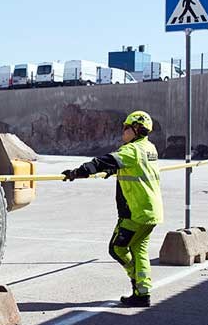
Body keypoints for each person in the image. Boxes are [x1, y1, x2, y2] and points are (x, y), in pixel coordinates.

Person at [61, 111, 163, 307]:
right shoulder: (149, 148)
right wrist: (113, 170)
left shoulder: (132, 150)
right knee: (139, 249)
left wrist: (77, 172)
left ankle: (135, 280)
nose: (122, 131)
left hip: (135, 213)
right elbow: (131, 167)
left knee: (116, 249)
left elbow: (104, 161)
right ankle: (143, 293)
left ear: (136, 129)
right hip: (152, 211)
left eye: (126, 127)